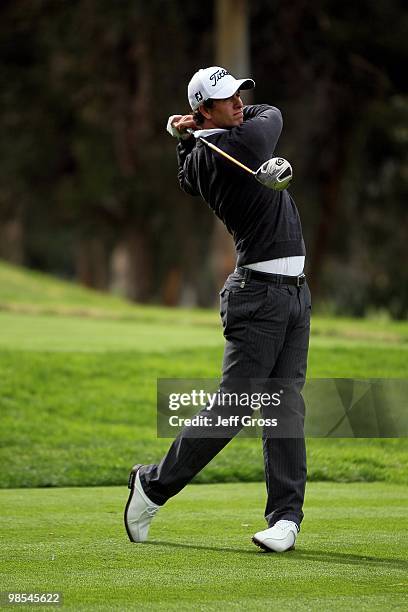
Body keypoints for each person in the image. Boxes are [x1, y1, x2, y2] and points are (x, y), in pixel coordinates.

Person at [124, 66, 311, 553]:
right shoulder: (240, 145)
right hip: (261, 297)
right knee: (233, 410)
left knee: (284, 407)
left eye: (239, 95)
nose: (239, 104)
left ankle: (285, 519)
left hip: (292, 294)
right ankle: (153, 485)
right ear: (205, 109)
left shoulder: (203, 152)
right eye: (226, 100)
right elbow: (274, 115)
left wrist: (184, 137)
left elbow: (187, 176)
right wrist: (194, 134)